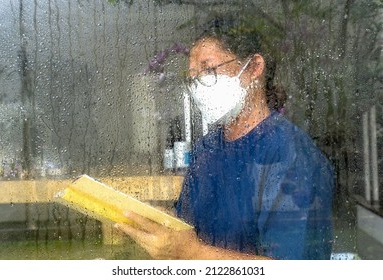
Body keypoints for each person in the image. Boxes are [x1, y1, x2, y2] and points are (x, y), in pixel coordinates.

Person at [114, 17, 334, 260]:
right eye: (193, 77)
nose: (199, 86)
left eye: (208, 70)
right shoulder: (207, 150)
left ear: (253, 68)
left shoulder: (289, 154)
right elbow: (188, 228)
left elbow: (296, 270)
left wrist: (191, 253)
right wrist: (156, 225)